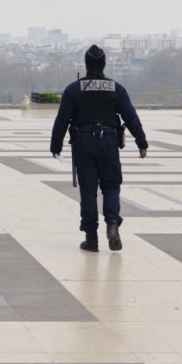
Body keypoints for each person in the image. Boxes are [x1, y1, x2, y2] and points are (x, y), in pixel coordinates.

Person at [50, 45, 148, 252]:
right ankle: (112, 224)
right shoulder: (116, 89)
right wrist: (142, 143)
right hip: (109, 141)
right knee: (111, 186)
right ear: (104, 64)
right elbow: (131, 118)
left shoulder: (73, 89)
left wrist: (55, 146)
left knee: (88, 191)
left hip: (83, 141)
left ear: (86, 65)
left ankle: (91, 238)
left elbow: (61, 120)